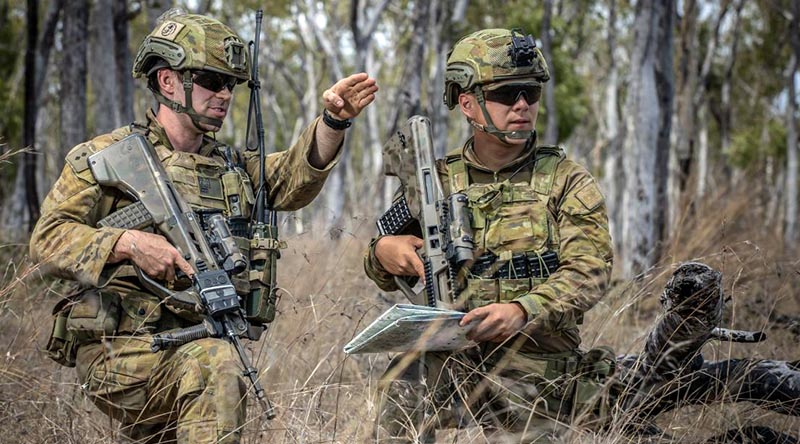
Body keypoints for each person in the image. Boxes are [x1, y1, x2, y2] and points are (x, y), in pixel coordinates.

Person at [30, 10, 377, 444]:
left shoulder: (229, 166)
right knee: (215, 366)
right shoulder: (104, 157)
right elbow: (47, 239)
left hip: (196, 339)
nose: (224, 95)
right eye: (211, 81)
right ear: (167, 81)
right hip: (123, 347)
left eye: (230, 84)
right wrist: (128, 242)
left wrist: (333, 122)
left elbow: (291, 178)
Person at [364, 28, 613, 442]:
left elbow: (590, 271)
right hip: (448, 356)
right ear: (468, 104)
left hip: (536, 363)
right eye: (505, 94)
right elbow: (381, 264)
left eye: (530, 94)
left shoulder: (566, 181)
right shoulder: (434, 181)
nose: (521, 106)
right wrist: (383, 253)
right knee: (399, 393)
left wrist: (522, 309)